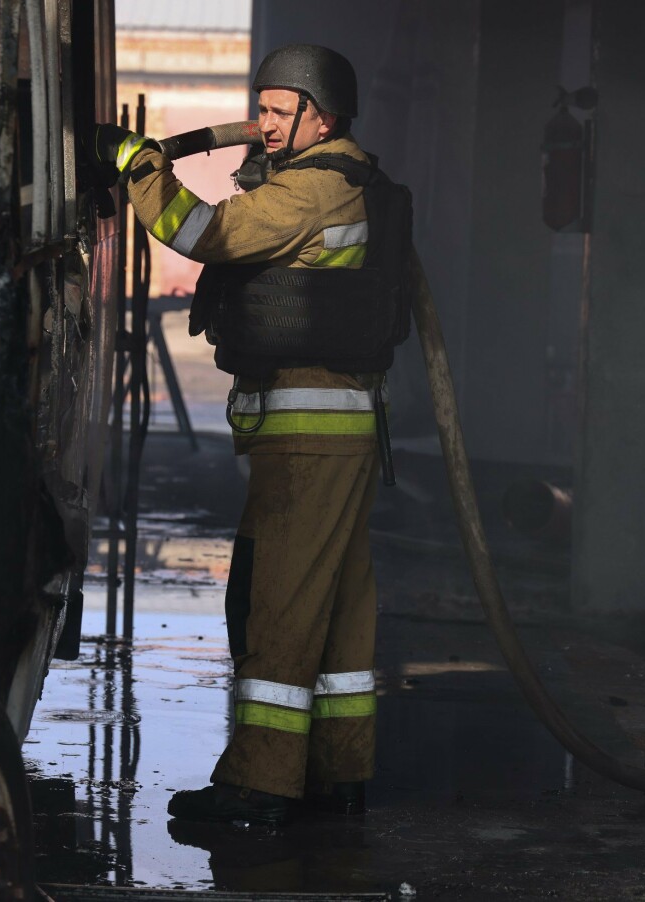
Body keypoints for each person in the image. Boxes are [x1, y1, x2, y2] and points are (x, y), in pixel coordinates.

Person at [90, 44, 385, 825]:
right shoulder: (341, 179)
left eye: (282, 110)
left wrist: (138, 167)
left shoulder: (316, 188)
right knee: (341, 606)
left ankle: (260, 786)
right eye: (261, 108)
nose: (265, 123)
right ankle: (338, 775)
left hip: (309, 433)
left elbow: (208, 235)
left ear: (324, 117)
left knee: (277, 604)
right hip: (333, 430)